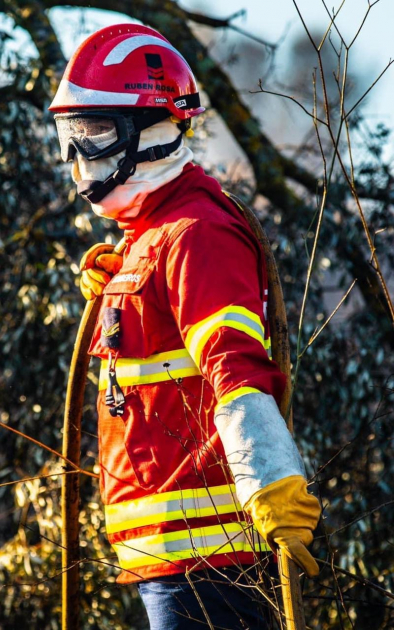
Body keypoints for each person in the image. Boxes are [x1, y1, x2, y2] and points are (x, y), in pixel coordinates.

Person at [50, 24, 321, 629]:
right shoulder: (154, 237)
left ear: (150, 132)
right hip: (173, 563)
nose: (77, 158)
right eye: (71, 137)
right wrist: (125, 283)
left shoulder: (196, 234)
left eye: (92, 135)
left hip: (210, 566)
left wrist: (272, 482)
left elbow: (235, 366)